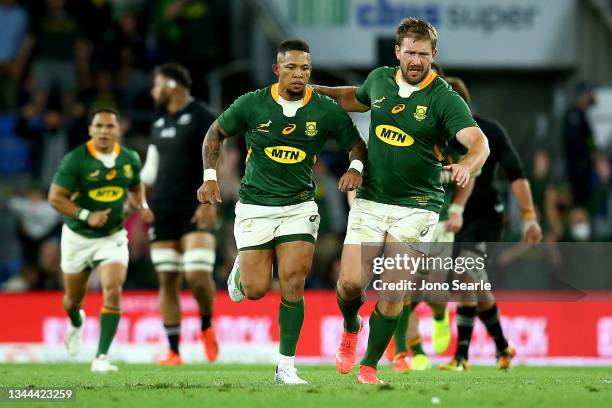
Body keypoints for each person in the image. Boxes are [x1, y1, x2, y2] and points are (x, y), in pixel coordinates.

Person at [313, 17, 489, 384]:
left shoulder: (444, 98)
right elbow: (353, 98)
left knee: (393, 292)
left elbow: (479, 143)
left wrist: (467, 166)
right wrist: (317, 91)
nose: (415, 60)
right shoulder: (379, 80)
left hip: (419, 206)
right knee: (348, 287)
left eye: (423, 54)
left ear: (433, 55)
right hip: (372, 199)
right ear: (398, 52)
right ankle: (351, 326)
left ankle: (370, 365)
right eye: (409, 52)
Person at [197, 39, 367, 384]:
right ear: (277, 70)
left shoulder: (324, 109)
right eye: (291, 67)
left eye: (305, 68)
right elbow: (215, 134)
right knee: (257, 289)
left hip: (299, 205)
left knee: (292, 282)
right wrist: (210, 177)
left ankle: (286, 367)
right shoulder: (252, 104)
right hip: (256, 205)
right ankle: (242, 273)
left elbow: (356, 144)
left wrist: (356, 169)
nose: (298, 74)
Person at [438, 76, 543, 371]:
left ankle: (461, 357)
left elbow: (516, 173)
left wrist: (529, 217)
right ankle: (503, 347)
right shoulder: (434, 133)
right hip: (449, 220)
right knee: (476, 284)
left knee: (465, 274)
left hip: (485, 215)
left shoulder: (489, 133)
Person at [48, 108, 154, 372]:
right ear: (90, 130)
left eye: (110, 127)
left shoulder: (129, 159)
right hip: (78, 237)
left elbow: (135, 187)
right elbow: (55, 197)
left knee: (113, 289)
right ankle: (75, 321)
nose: (104, 131)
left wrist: (140, 205)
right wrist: (86, 215)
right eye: (99, 126)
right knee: (72, 299)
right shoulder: (76, 160)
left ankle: (101, 358)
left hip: (112, 235)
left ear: (119, 131)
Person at [141, 63, 218, 365]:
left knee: (197, 276)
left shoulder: (203, 116)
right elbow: (151, 170)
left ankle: (207, 324)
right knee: (167, 280)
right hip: (163, 209)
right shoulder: (158, 123)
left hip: (196, 204)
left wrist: (210, 202)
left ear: (171, 85)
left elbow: (219, 161)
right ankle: (174, 351)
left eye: (156, 84)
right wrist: (135, 200)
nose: (152, 91)